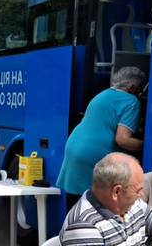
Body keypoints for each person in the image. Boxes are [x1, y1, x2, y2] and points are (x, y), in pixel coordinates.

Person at [56, 66, 145, 209]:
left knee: (76, 205)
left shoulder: (102, 95)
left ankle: (72, 230)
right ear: (133, 86)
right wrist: (145, 145)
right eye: (140, 88)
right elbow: (122, 139)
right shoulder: (131, 101)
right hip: (95, 155)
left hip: (74, 146)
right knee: (97, 206)